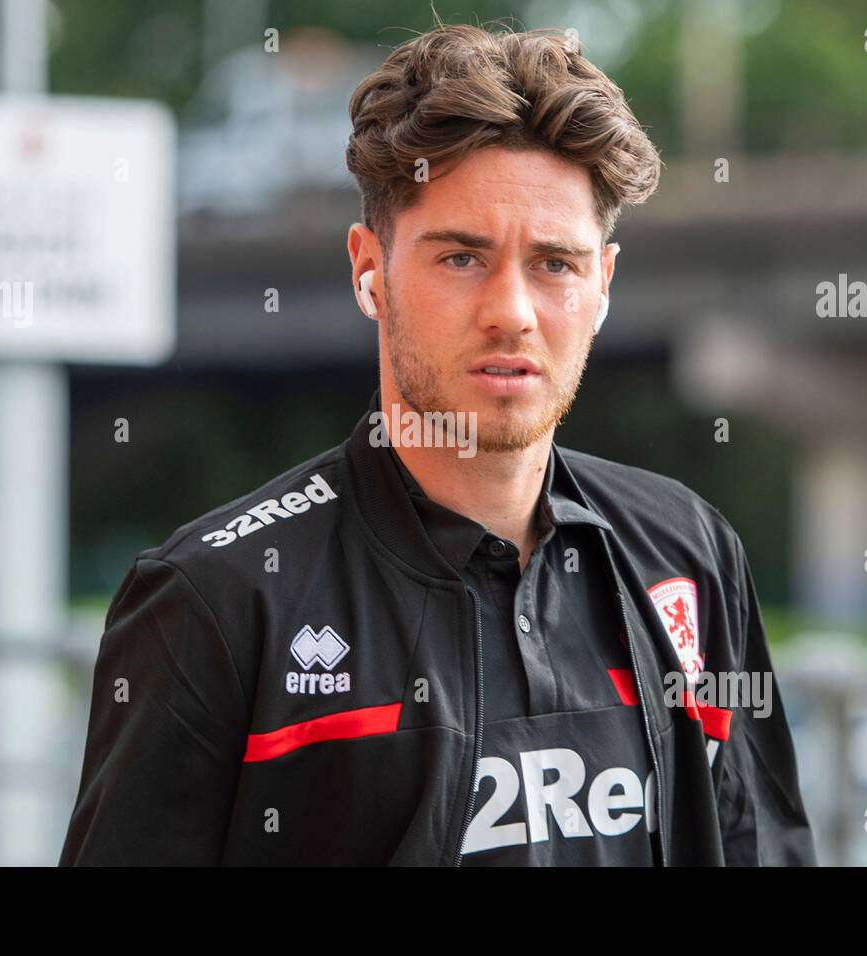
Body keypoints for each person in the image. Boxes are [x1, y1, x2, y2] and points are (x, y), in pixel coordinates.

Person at [59, 21, 817, 866]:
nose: (513, 311)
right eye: (461, 258)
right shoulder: (217, 599)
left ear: (602, 284)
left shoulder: (689, 551)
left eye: (555, 264)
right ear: (368, 269)